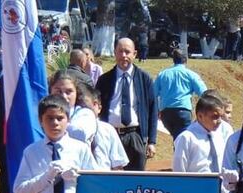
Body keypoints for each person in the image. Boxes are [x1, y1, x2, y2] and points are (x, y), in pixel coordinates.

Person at [95, 37, 157, 171]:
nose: (124, 56)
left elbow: (153, 110)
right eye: (120, 51)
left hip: (135, 136)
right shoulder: (104, 80)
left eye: (127, 52)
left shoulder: (144, 79)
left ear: (134, 54)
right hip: (110, 135)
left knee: (136, 182)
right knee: (111, 181)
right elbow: (95, 108)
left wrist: (151, 141)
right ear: (115, 53)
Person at [154, 49, 207, 141]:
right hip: (183, 111)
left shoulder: (163, 74)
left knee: (177, 138)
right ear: (186, 60)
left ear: (173, 60)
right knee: (182, 140)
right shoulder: (191, 75)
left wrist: (157, 109)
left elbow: (153, 94)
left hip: (166, 113)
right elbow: (204, 93)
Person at [83, 86, 129, 170]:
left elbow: (118, 165)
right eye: (80, 107)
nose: (84, 111)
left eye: (87, 106)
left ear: (99, 108)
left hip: (104, 178)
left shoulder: (108, 130)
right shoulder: (69, 131)